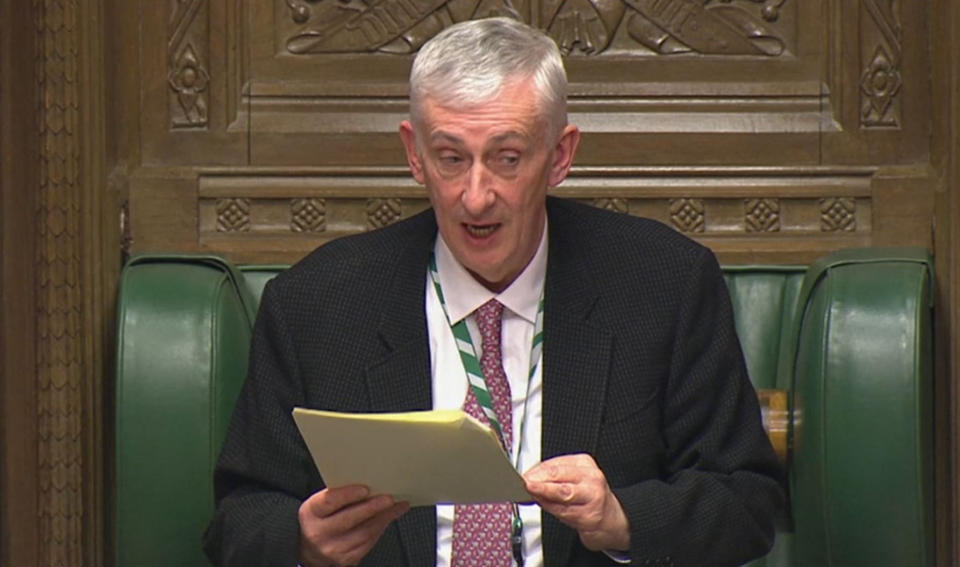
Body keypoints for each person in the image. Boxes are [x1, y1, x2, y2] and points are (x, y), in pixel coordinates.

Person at [204, 16, 784, 567]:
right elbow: (238, 520)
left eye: (507, 159)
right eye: (451, 159)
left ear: (559, 156)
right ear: (414, 154)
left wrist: (623, 517)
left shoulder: (664, 285)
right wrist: (303, 543)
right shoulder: (317, 303)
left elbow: (746, 503)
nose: (475, 196)